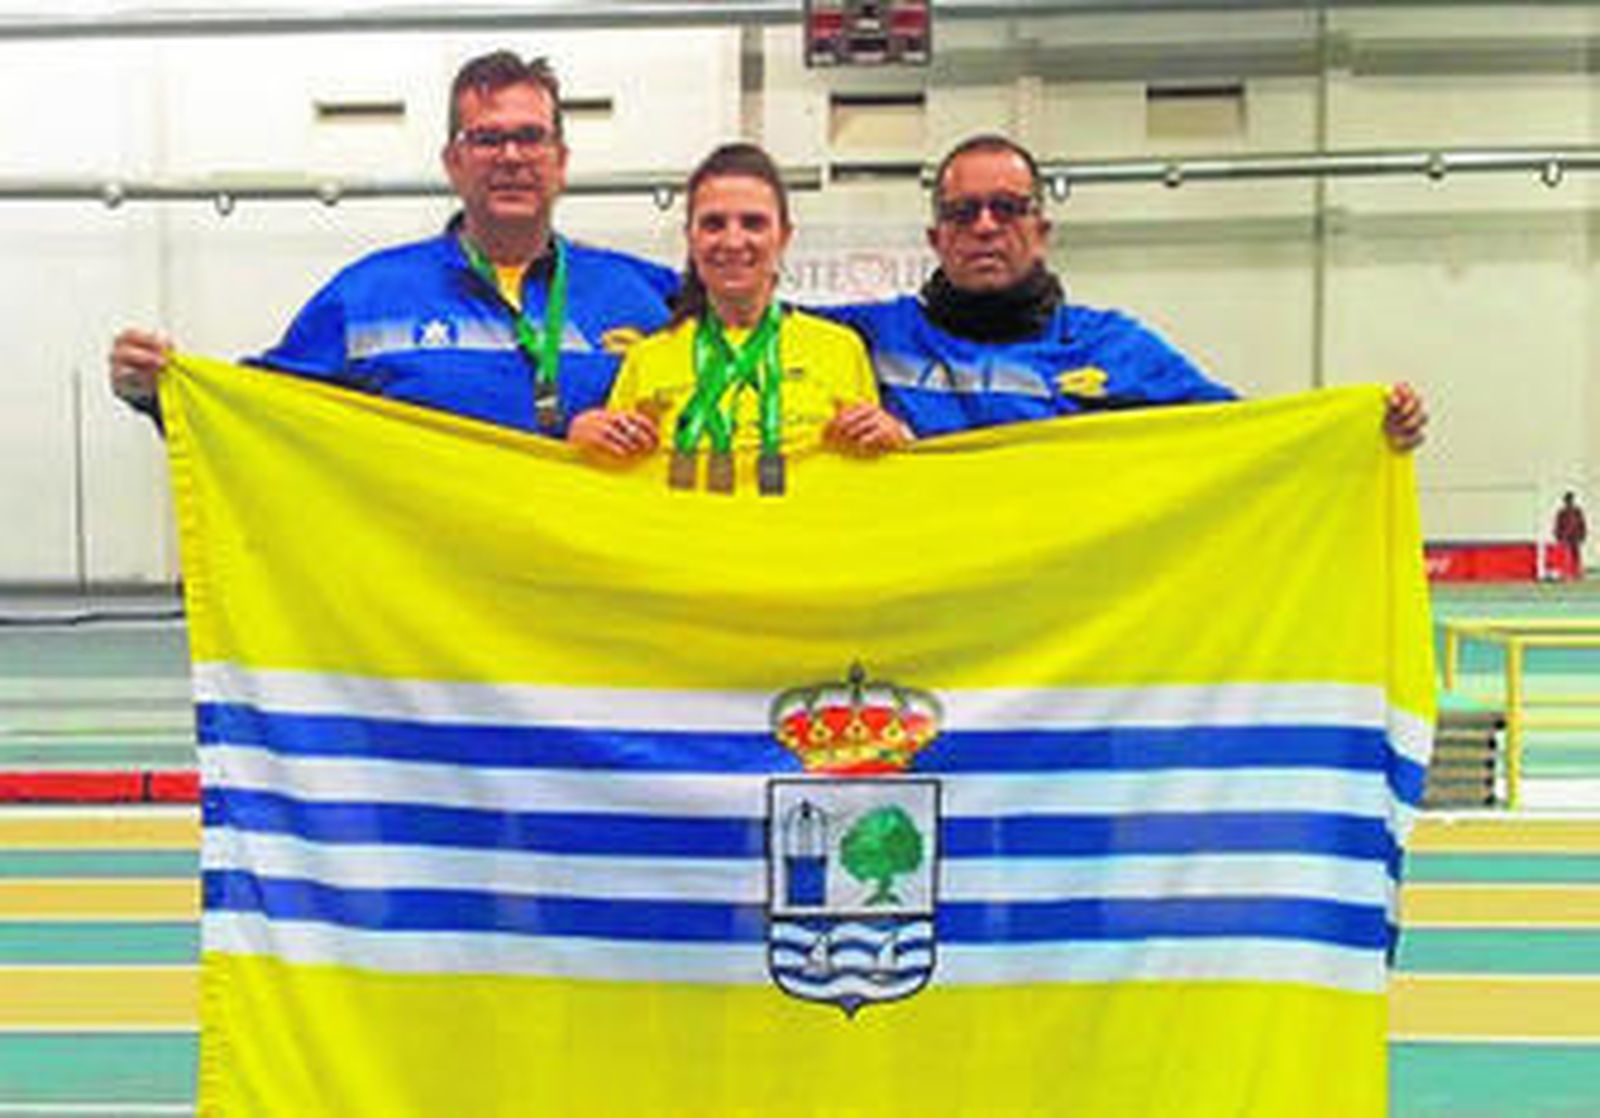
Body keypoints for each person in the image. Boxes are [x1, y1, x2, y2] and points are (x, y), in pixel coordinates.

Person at [108, 51, 675, 436]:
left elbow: (728, 375)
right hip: (431, 583)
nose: (511, 157)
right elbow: (262, 414)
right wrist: (159, 392)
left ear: (561, 161)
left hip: (582, 582)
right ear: (453, 162)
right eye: (487, 139)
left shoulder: (644, 295)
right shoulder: (368, 295)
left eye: (530, 137)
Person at [822, 133, 1428, 450]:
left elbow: (1244, 438)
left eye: (1007, 208)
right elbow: (762, 326)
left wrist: (1360, 435)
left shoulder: (1112, 346)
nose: (985, 226)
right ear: (936, 238)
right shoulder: (869, 335)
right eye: (963, 212)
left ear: (1042, 232)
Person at [568, 142, 907, 494]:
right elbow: (611, 485)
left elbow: (873, 482)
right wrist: (583, 442)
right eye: (713, 224)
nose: (733, 241)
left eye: (753, 223)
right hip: (684, 529)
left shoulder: (840, 349)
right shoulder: (647, 358)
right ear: (690, 238)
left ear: (784, 236)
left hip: (802, 529)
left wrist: (895, 440)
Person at [1554, 491, 1587, 579]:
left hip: (1575, 535)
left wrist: (1582, 534)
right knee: (1566, 555)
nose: (1569, 502)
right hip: (1565, 536)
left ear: (1573, 500)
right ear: (1565, 502)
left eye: (1570, 500)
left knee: (1576, 554)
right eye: (1567, 500)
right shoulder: (1562, 513)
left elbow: (1582, 523)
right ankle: (1566, 572)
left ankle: (1578, 572)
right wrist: (1558, 535)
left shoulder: (1577, 511)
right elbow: (1558, 524)